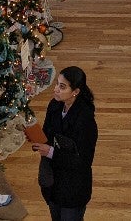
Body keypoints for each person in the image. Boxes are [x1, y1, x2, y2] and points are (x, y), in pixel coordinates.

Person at [33, 66, 97, 221]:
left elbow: (83, 161)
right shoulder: (54, 105)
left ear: (75, 91)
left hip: (73, 189)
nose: (55, 89)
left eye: (62, 87)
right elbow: (47, 133)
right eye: (56, 84)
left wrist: (50, 152)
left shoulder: (85, 120)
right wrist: (34, 135)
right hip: (53, 184)